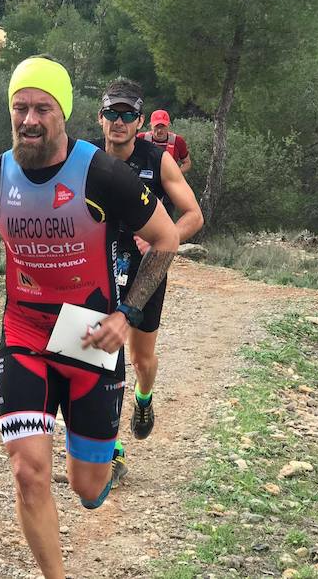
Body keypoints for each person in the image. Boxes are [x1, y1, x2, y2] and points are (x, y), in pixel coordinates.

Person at [0, 56, 179, 579]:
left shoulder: (104, 175)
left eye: (42, 108)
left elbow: (166, 240)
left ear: (64, 114)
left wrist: (127, 313)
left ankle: (101, 465)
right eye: (20, 107)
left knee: (87, 486)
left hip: (88, 335)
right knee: (29, 474)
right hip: (25, 332)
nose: (29, 119)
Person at [93, 79, 203, 486]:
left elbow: (194, 215)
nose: (117, 122)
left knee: (141, 359)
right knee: (104, 355)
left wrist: (161, 234)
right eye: (111, 113)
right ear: (100, 117)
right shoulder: (85, 157)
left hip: (147, 269)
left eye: (126, 115)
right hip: (99, 266)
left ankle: (143, 398)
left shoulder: (157, 160)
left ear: (139, 121)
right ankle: (112, 447)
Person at [138, 109, 192, 175]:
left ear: (168, 125)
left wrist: (176, 174)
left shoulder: (178, 141)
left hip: (168, 181)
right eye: (156, 126)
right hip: (145, 180)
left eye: (163, 126)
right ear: (151, 126)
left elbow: (187, 163)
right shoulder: (141, 138)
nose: (159, 130)